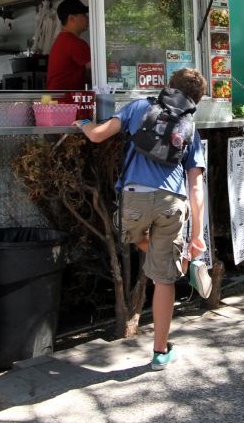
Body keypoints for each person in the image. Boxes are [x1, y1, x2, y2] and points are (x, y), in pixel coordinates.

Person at [75, 68, 207, 369]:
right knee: (164, 278)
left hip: (134, 200)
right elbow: (195, 187)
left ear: (167, 86)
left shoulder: (139, 106)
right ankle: (160, 352)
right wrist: (197, 234)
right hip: (172, 204)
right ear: (196, 99)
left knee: (135, 237)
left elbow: (97, 136)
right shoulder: (190, 128)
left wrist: (82, 121)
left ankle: (170, 259)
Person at [45, 0, 92, 90]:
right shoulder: (74, 43)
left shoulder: (62, 39)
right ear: (71, 19)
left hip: (55, 100)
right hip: (64, 101)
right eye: (83, 15)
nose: (87, 18)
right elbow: (95, 71)